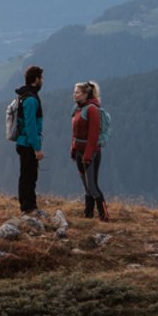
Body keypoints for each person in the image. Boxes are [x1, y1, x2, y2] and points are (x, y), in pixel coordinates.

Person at [71, 81, 108, 222]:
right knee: (86, 187)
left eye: (77, 92)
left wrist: (87, 155)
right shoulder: (77, 109)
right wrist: (73, 149)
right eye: (74, 92)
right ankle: (88, 214)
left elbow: (93, 135)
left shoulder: (92, 109)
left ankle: (104, 215)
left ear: (86, 94)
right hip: (79, 152)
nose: (74, 95)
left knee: (92, 186)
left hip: (91, 153)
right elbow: (74, 133)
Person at [12, 65, 44, 213]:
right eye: (41, 78)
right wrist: (37, 148)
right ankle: (28, 206)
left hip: (22, 142)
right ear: (36, 79)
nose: (42, 81)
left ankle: (28, 204)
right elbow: (31, 125)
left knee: (27, 174)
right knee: (29, 176)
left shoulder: (24, 96)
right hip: (27, 143)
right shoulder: (31, 99)